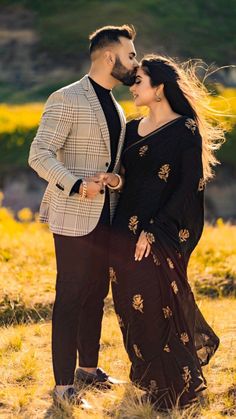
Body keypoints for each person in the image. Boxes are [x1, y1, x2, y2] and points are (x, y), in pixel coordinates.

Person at [102, 55, 224, 411]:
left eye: (138, 80)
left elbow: (188, 186)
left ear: (159, 87)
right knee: (128, 307)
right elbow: (131, 179)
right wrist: (115, 180)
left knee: (158, 306)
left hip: (160, 233)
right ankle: (150, 380)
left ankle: (176, 387)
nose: (133, 87)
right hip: (122, 231)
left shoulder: (184, 129)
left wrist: (153, 231)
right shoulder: (131, 127)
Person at [28, 24, 138, 408]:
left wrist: (114, 180)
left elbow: (110, 163)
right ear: (110, 57)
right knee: (71, 296)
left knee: (96, 293)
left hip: (105, 213)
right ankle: (62, 389)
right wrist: (76, 185)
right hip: (73, 213)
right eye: (131, 55)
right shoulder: (67, 97)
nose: (135, 62)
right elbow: (39, 154)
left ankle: (88, 371)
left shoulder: (117, 105)